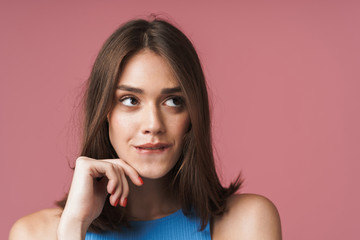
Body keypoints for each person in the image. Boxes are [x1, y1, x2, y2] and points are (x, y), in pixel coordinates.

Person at [9, 18, 282, 240]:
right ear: (104, 112)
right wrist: (74, 227)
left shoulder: (248, 223)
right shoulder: (35, 234)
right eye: (130, 101)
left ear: (193, 115)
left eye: (173, 101)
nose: (153, 124)